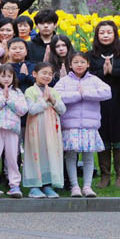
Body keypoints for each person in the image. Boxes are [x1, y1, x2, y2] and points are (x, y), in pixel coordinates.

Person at [87, 19, 120, 189]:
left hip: (119, 99)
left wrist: (113, 71)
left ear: (115, 34)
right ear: (97, 35)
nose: (105, 35)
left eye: (109, 32)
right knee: (102, 138)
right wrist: (103, 72)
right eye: (102, 32)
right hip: (99, 101)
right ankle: (105, 176)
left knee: (119, 138)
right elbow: (86, 73)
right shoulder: (91, 55)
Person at [58, 51, 112, 198]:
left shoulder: (94, 80)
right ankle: (74, 186)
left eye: (82, 62)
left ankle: (87, 186)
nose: (79, 65)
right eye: (75, 62)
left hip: (90, 126)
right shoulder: (64, 81)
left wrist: (86, 93)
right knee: (71, 156)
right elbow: (57, 96)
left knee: (88, 156)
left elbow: (107, 92)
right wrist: (77, 95)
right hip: (71, 125)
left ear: (88, 64)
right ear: (70, 65)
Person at [22, 62, 67, 198]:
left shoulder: (54, 91)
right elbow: (31, 110)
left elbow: (62, 110)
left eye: (50, 74)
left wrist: (52, 99)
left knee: (50, 153)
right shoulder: (30, 91)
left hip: (52, 128)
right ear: (34, 74)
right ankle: (34, 186)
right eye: (44, 73)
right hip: (36, 127)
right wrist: (44, 100)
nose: (47, 76)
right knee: (36, 152)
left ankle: (47, 185)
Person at [0, 63, 29, 199]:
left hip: (12, 130)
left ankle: (14, 185)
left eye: (9, 76)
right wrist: (2, 99)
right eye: (3, 76)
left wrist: (9, 100)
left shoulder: (17, 92)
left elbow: (23, 110)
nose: (6, 79)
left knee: (12, 158)